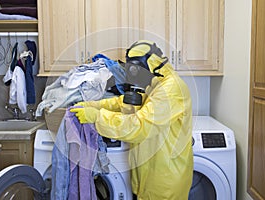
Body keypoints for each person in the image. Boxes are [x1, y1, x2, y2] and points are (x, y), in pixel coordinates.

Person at [70, 40, 193, 200]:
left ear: (149, 65)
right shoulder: (156, 84)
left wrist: (97, 117)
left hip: (165, 183)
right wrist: (95, 105)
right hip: (148, 176)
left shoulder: (171, 90)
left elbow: (139, 126)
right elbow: (125, 102)